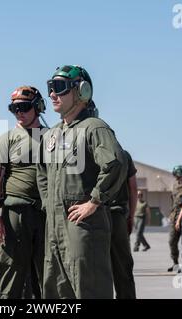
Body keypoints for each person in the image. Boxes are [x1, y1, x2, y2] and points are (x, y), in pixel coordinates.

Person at [37, 65, 127, 298]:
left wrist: (94, 201)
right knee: (55, 289)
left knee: (89, 287)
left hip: (84, 227)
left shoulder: (95, 128)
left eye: (59, 88)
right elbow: (42, 173)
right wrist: (49, 205)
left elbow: (115, 163)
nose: (52, 94)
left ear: (82, 91)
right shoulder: (51, 134)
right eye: (50, 88)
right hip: (54, 227)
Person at [0, 86, 47, 299]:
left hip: (46, 216)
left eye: (24, 107)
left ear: (38, 107)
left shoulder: (54, 138)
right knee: (10, 275)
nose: (19, 112)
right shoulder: (6, 139)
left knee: (47, 278)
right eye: (14, 108)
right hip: (16, 214)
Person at [109, 150, 137, 299]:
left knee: (96, 271)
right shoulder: (124, 154)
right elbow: (133, 188)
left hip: (92, 218)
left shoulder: (86, 151)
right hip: (117, 217)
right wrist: (131, 216)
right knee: (123, 268)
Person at [167, 165, 182, 272]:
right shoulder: (174, 185)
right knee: (172, 241)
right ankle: (175, 263)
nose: (175, 177)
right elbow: (173, 201)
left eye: (177, 174)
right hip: (174, 217)